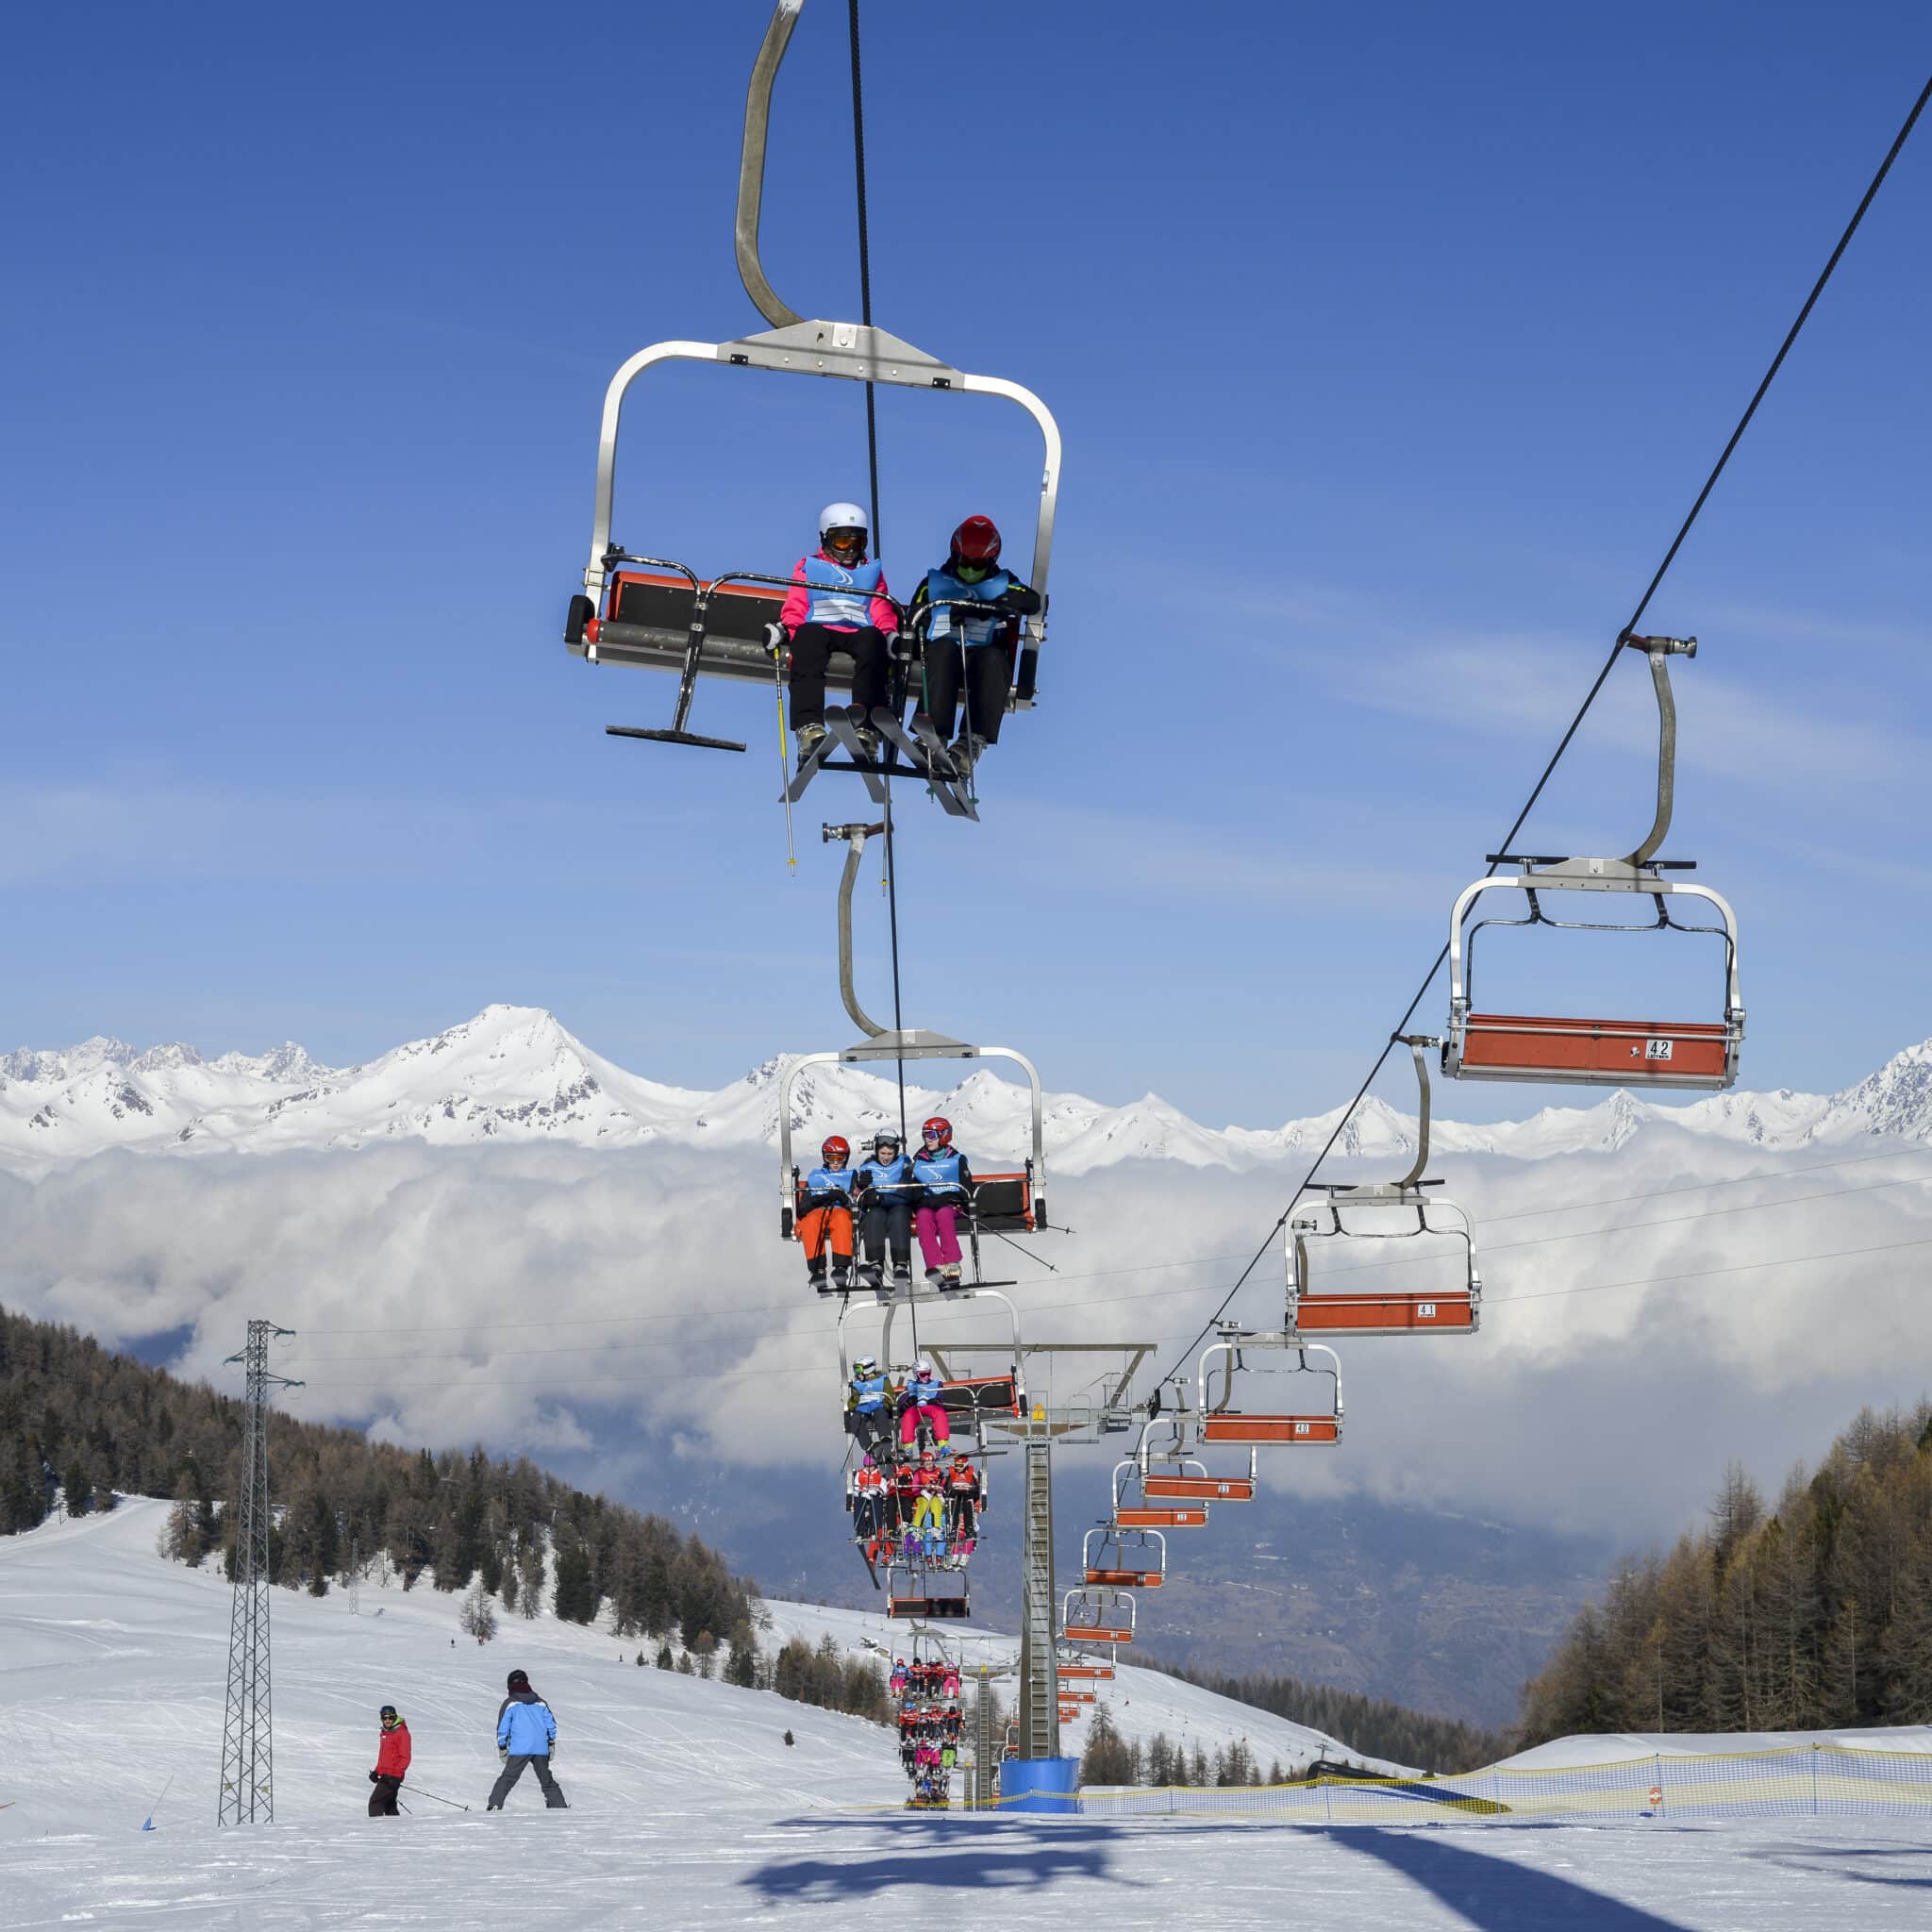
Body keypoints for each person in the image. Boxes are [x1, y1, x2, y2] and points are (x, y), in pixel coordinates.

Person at [907, 515, 1043, 778]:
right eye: (966, 562)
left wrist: (998, 602)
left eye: (978, 564)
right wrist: (938, 616)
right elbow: (915, 613)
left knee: (994, 660)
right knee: (942, 651)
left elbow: (1031, 601)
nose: (971, 569)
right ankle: (934, 733)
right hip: (944, 649)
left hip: (980, 653)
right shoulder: (935, 583)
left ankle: (970, 742)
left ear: (991, 561)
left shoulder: (1002, 581)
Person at [775, 501, 897, 772]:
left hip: (858, 629)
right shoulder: (810, 566)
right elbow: (797, 604)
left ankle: (867, 728)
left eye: (857, 542)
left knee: (873, 643)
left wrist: (889, 635)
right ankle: (809, 726)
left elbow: (880, 607)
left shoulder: (870, 573)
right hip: (821, 626)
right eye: (842, 542)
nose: (850, 550)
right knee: (807, 640)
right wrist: (786, 629)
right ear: (825, 539)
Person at [489, 1668, 568, 1811]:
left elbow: (503, 1728)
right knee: (547, 1781)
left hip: (520, 1747)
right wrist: (551, 1744)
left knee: (508, 1778)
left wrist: (502, 1748)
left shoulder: (511, 1703)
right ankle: (559, 1807)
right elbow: (551, 1725)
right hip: (540, 1748)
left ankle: (494, 1805)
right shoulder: (541, 1703)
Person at [911, 1116, 974, 1287]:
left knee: (944, 1214)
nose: (926, 1139)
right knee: (923, 1217)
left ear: (943, 1135)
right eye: (924, 1135)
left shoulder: (957, 1159)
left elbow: (967, 1187)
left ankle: (952, 1264)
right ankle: (935, 1265)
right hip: (928, 1204)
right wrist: (922, 1200)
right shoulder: (919, 1159)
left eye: (931, 1136)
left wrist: (949, 1198)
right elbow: (913, 1186)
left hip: (951, 1205)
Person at [853, 1130, 915, 1290]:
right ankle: (875, 1265)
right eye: (882, 1153)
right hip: (877, 1208)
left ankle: (900, 1265)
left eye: (890, 1153)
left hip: (898, 1204)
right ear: (876, 1151)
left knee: (899, 1215)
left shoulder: (904, 1164)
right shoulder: (868, 1166)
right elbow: (861, 1198)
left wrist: (881, 1198)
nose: (886, 1157)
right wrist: (862, 1189)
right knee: (874, 1216)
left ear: (896, 1151)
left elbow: (906, 1191)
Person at [799, 1135, 857, 1292]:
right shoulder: (816, 1177)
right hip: (819, 1210)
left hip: (840, 1210)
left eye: (840, 1158)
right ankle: (817, 1269)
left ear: (846, 1158)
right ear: (825, 1158)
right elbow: (803, 1208)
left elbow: (855, 1202)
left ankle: (841, 1267)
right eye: (831, 1158)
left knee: (841, 1220)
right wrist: (822, 1198)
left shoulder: (850, 1176)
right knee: (810, 1222)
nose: (836, 1163)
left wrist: (842, 1197)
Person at [844, 1355, 896, 1459]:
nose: (857, 1374)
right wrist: (855, 1405)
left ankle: (885, 1437)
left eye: (858, 1370)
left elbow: (890, 1396)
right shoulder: (857, 1385)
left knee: (880, 1414)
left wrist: (884, 1405)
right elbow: (853, 1401)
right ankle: (870, 1446)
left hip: (878, 1406)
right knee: (855, 1421)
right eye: (856, 1370)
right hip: (863, 1409)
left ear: (868, 1369)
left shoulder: (883, 1381)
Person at [898, 1357, 952, 1454]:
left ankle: (943, 1445)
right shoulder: (911, 1386)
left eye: (928, 1373)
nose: (926, 1377)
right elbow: (902, 1400)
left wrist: (936, 1400)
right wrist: (909, 1402)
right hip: (916, 1408)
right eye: (923, 1374)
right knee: (908, 1416)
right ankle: (908, 1447)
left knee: (940, 1413)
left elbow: (941, 1396)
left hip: (930, 1406)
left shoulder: (936, 1384)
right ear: (916, 1374)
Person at [368, 1704, 410, 1817]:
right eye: (384, 1717)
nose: (387, 1720)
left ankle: (376, 1830)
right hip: (386, 1775)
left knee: (375, 1802)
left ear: (395, 1717)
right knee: (389, 1805)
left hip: (392, 1777)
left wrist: (395, 1776)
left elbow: (405, 1757)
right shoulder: (386, 1733)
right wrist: (377, 1771)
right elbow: (384, 1757)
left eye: (390, 1717)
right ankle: (395, 1831)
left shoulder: (401, 1733)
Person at [909, 1448, 947, 1558]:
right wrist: (923, 1490)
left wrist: (939, 1490)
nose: (930, 1466)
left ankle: (937, 1527)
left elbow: (943, 1484)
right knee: (923, 1505)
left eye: (931, 1463)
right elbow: (914, 1487)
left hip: (934, 1495)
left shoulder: (938, 1472)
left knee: (936, 1504)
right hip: (922, 1495)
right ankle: (916, 1527)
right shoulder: (919, 1473)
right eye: (927, 1464)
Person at [944, 1453, 983, 1555]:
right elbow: (947, 1488)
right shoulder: (952, 1474)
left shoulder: (971, 1474)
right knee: (955, 1508)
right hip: (956, 1498)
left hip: (967, 1498)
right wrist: (952, 1491)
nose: (958, 1468)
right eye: (956, 1465)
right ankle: (954, 1529)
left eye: (960, 1465)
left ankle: (969, 1530)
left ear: (966, 1464)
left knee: (968, 1510)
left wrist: (970, 1492)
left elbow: (976, 1490)